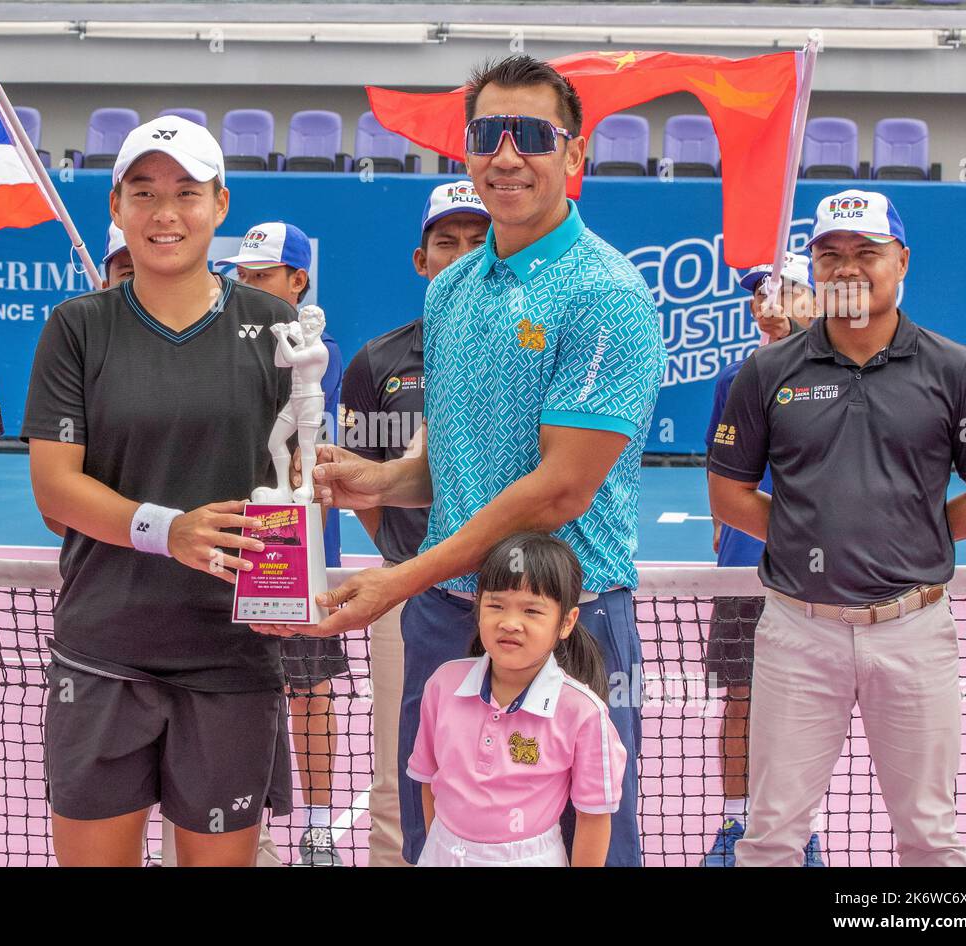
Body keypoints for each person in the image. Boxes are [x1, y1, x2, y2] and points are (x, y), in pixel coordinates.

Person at [258, 55, 666, 868]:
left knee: (587, 842)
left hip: (565, 616)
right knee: (435, 837)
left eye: (532, 136)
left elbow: (558, 490)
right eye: (487, 134)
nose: (506, 155)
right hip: (448, 613)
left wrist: (402, 578)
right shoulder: (451, 292)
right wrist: (372, 480)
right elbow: (456, 453)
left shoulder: (607, 295)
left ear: (574, 156)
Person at [708, 188, 966, 866]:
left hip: (914, 630)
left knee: (930, 838)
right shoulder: (766, 372)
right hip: (796, 632)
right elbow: (729, 495)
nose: (847, 267)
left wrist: (907, 538)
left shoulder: (952, 367)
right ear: (813, 266)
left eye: (866, 252)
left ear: (901, 259)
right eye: (830, 254)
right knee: (770, 839)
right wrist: (805, 538)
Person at [22, 116, 297, 867]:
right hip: (103, 653)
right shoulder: (75, 328)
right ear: (116, 206)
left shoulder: (277, 328)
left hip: (232, 658)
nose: (164, 212)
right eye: (143, 192)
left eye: (186, 192)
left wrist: (290, 587)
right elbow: (55, 489)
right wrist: (166, 529)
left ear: (221, 204)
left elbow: (293, 486)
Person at [338, 180, 490, 866]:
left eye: (477, 241)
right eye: (445, 242)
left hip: (515, 597)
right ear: (421, 260)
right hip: (405, 598)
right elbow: (362, 484)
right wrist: (409, 560)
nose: (460, 255)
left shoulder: (529, 345)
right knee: (402, 774)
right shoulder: (377, 362)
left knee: (515, 767)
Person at [216, 221, 350, 865]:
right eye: (242, 275)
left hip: (300, 557)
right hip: (229, 548)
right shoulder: (219, 351)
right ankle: (248, 825)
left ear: (298, 280)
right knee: (227, 690)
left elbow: (314, 460)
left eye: (263, 275)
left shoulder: (323, 353)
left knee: (309, 692)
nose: (250, 286)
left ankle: (319, 824)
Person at [700, 250, 825, 867]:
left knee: (811, 706)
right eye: (757, 295)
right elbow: (720, 465)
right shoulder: (733, 379)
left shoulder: (843, 377)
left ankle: (802, 828)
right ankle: (736, 822)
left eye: (784, 292)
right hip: (747, 574)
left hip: (820, 576)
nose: (766, 306)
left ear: (818, 299)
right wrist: (724, 531)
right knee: (742, 700)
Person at [407, 532, 626, 867]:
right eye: (495, 605)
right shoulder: (442, 684)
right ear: (478, 607)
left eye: (531, 611)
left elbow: (594, 816)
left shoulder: (584, 713)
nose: (510, 623)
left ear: (566, 622)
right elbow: (428, 780)